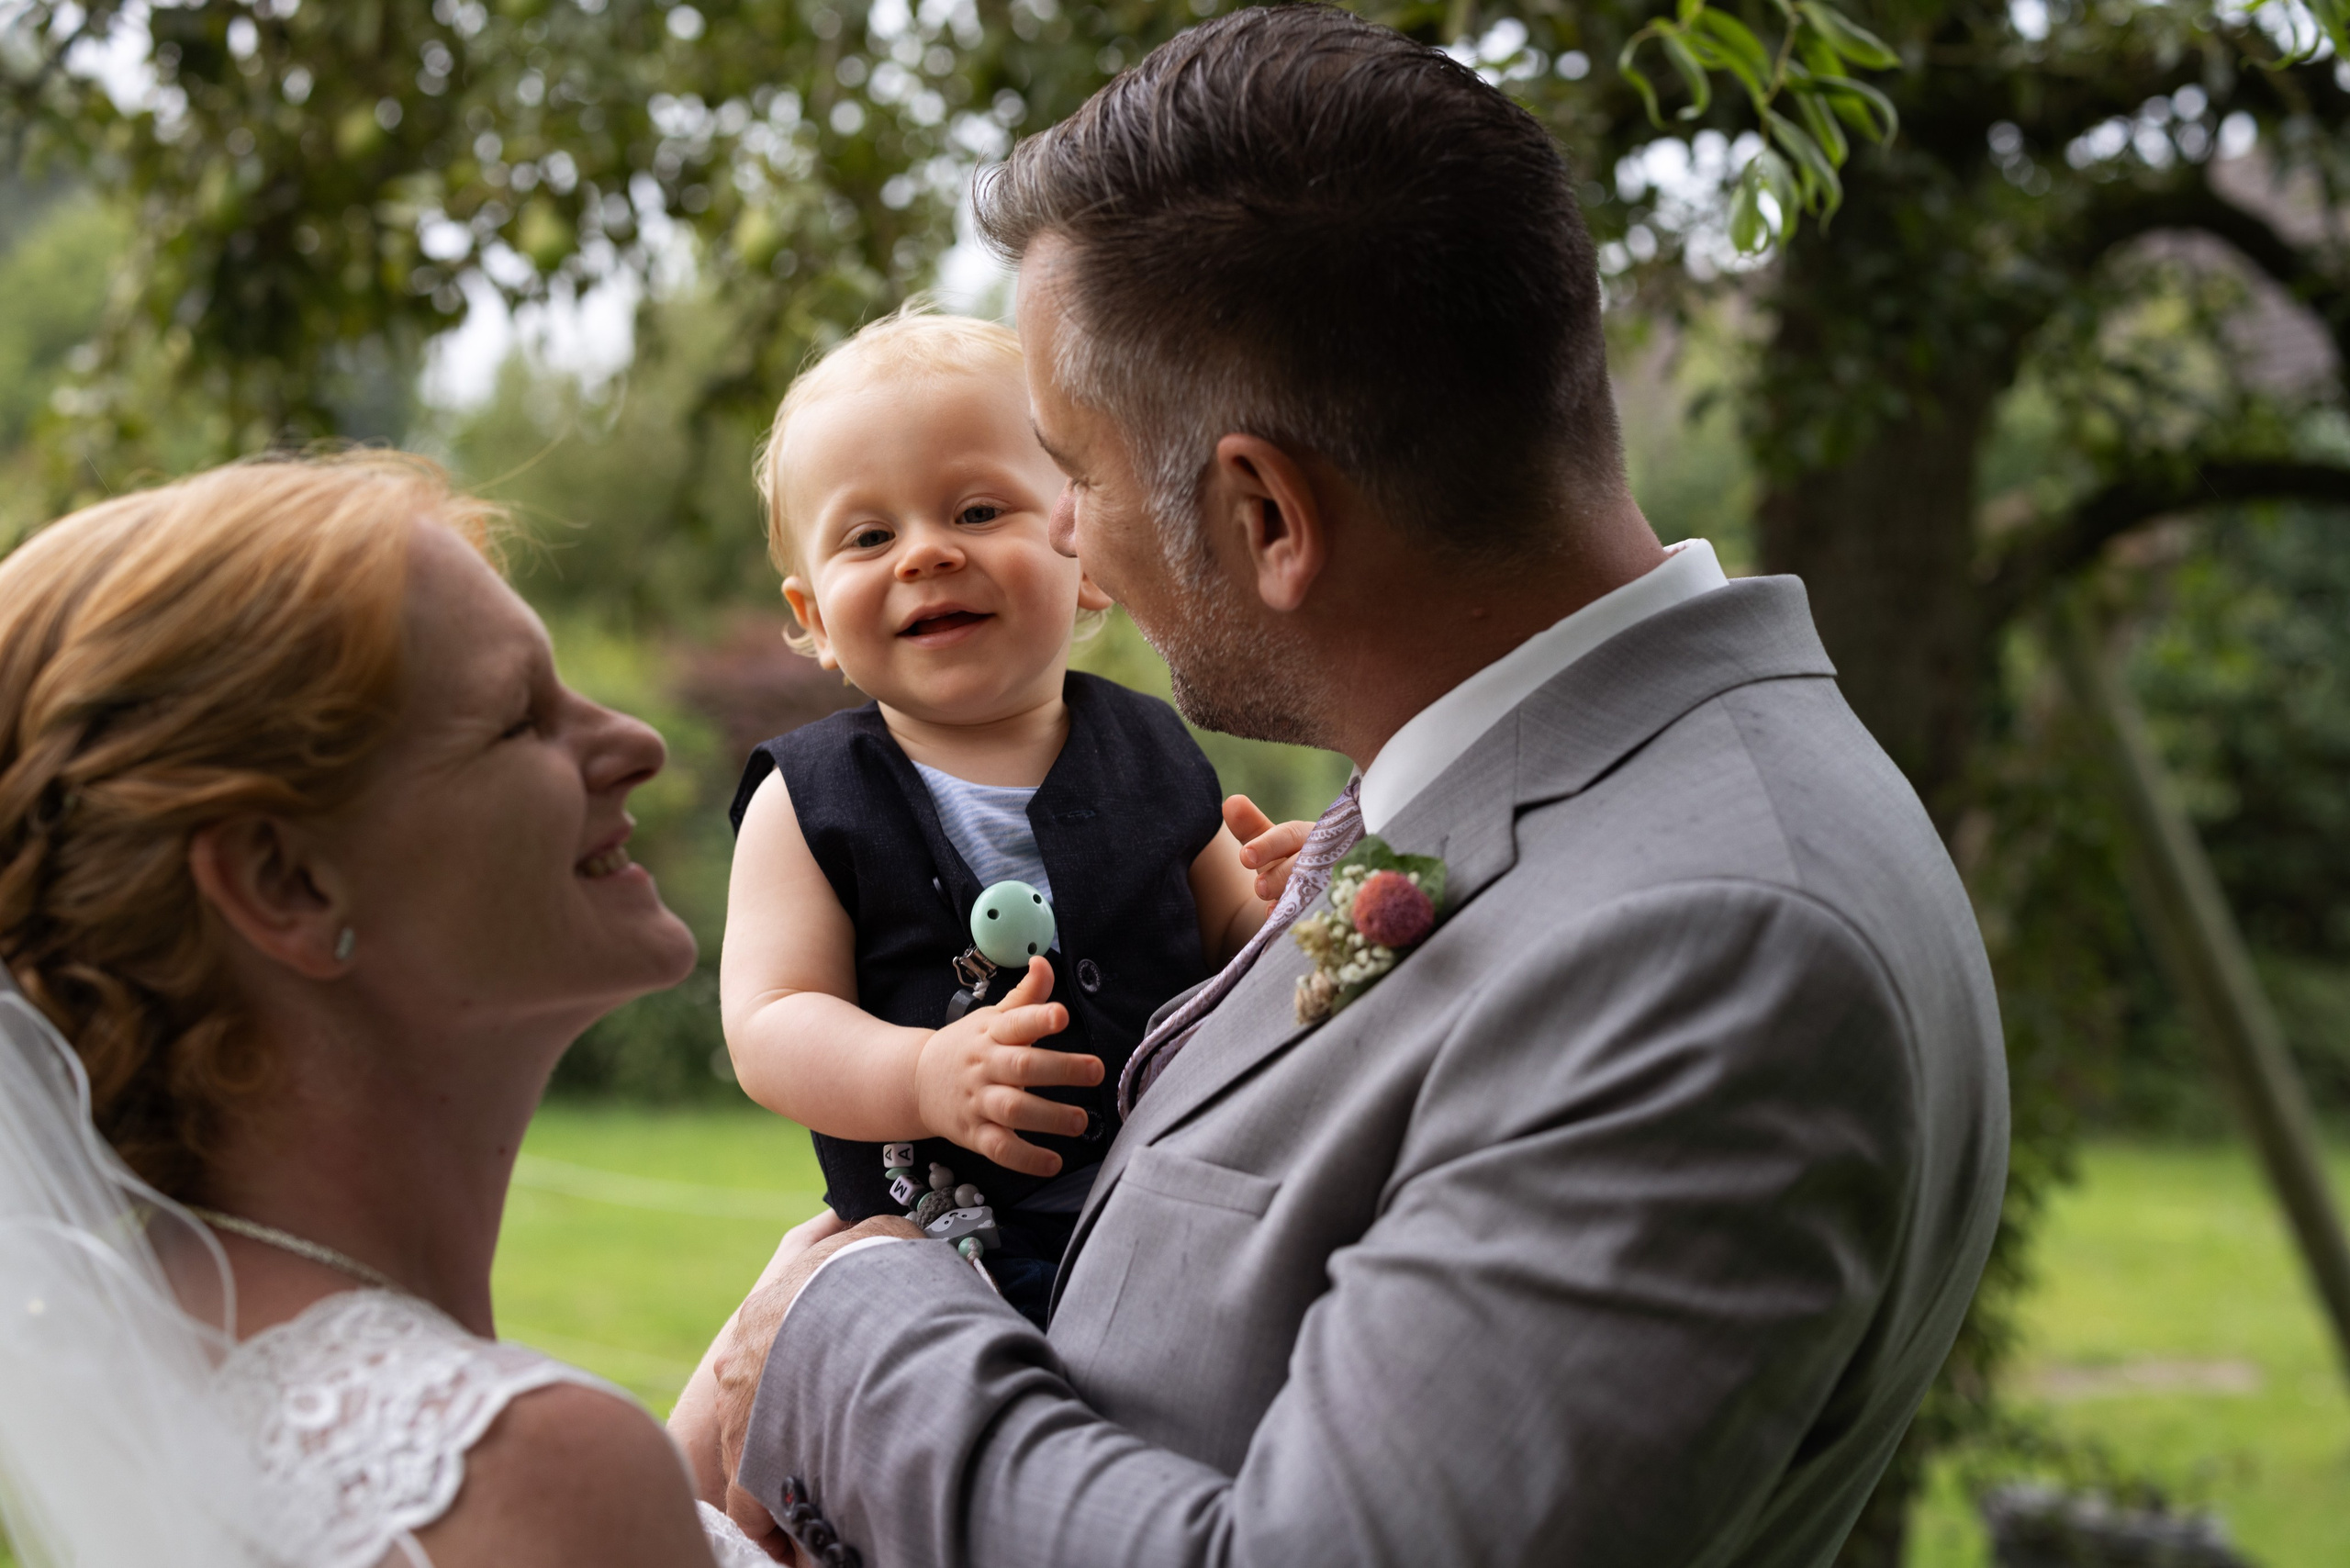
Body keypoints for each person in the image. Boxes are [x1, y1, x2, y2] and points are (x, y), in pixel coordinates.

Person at [688, 9, 2011, 1567]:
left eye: (1075, 475)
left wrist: (848, 1325)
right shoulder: (1543, 807)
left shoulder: (1711, 946)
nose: (1077, 545)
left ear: (1263, 513)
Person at [0, 454, 770, 1567]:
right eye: (520, 718)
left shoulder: (172, 1371)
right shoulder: (532, 1473)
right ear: (287, 885)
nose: (636, 744)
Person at [719, 307, 1305, 1325]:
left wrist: (1299, 906)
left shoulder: (1153, 750)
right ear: (812, 616)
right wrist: (918, 1072)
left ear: (1086, 556)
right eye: (869, 535)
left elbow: (1233, 944)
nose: (924, 555)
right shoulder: (809, 799)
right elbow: (770, 1025)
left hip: (1177, 1228)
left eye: (978, 511)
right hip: (936, 1265)